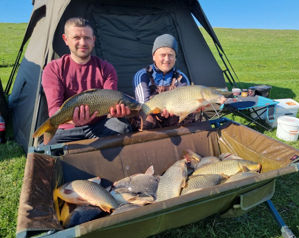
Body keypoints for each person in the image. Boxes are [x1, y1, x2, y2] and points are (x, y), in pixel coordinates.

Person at [41, 17, 132, 145]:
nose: (83, 43)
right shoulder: (53, 68)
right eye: (76, 37)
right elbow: (54, 110)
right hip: (67, 128)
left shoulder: (106, 68)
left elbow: (110, 101)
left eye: (87, 38)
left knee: (124, 128)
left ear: (93, 41)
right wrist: (73, 120)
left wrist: (117, 113)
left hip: (100, 125)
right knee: (49, 150)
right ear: (65, 40)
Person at [133, 33, 193, 130]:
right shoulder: (142, 75)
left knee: (188, 116)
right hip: (151, 114)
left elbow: (185, 102)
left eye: (171, 55)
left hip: (173, 114)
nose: (167, 59)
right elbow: (144, 104)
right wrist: (160, 111)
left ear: (175, 58)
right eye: (163, 55)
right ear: (154, 56)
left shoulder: (181, 77)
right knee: (147, 121)